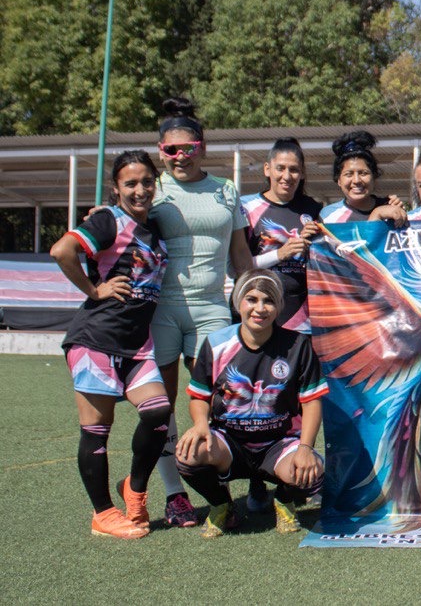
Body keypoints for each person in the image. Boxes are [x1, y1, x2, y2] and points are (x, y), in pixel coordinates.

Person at [50, 151, 173, 539]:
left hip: (137, 346)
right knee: (96, 431)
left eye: (147, 182)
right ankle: (102, 514)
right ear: (116, 188)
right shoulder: (108, 220)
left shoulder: (154, 226)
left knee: (158, 413)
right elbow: (61, 251)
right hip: (95, 342)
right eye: (130, 183)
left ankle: (133, 489)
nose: (140, 190)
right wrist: (95, 289)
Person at [148, 97, 253, 528]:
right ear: (160, 151)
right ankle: (174, 494)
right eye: (170, 150)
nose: (179, 157)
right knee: (159, 407)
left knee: (219, 401)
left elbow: (241, 255)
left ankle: (219, 488)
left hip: (212, 307)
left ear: (202, 147)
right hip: (160, 310)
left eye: (187, 148)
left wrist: (252, 301)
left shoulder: (226, 189)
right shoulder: (151, 189)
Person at [176, 269, 329, 538]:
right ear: (238, 302)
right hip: (229, 443)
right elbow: (199, 396)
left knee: (313, 470)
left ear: (279, 306)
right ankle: (222, 505)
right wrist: (200, 424)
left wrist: (306, 447)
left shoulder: (297, 345)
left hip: (279, 443)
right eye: (252, 299)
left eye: (268, 301)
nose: (260, 308)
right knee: (189, 453)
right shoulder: (216, 343)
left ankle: (284, 499)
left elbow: (312, 402)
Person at [240, 138, 323, 333]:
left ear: (302, 173)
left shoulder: (313, 208)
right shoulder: (245, 207)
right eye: (280, 168)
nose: (287, 176)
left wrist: (316, 242)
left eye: (293, 170)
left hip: (301, 317)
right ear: (267, 169)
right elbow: (237, 267)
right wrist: (280, 254)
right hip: (258, 312)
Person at [321, 131, 408, 225]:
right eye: (349, 174)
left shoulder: (390, 208)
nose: (356, 180)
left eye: (363, 173)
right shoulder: (328, 217)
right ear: (339, 180)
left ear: (374, 176)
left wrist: (400, 214)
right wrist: (377, 214)